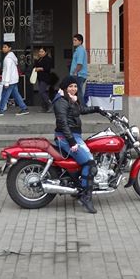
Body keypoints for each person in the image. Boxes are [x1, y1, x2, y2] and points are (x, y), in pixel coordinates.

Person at [53, 75, 102, 214]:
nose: (73, 88)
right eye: (70, 86)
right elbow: (63, 123)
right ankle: (86, 197)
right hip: (66, 137)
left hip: (74, 136)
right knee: (90, 163)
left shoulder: (71, 100)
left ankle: (80, 186)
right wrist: (72, 142)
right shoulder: (61, 101)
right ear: (65, 88)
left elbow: (81, 110)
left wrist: (98, 109)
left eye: (75, 86)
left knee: (87, 160)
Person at [0, 42, 29, 116]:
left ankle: (0, 110)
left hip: (10, 80)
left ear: (9, 48)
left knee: (4, 95)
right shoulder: (12, 57)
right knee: (16, 95)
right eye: (3, 47)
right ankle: (24, 108)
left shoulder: (8, 59)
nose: (3, 48)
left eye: (5, 47)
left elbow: (8, 71)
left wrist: (6, 82)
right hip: (13, 79)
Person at [33, 46, 55, 112]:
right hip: (40, 77)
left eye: (42, 51)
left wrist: (39, 68)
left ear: (45, 52)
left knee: (42, 92)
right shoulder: (39, 59)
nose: (40, 53)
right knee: (42, 92)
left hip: (45, 78)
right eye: (39, 51)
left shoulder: (48, 59)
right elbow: (35, 66)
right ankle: (44, 107)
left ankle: (50, 104)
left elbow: (47, 68)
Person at [70, 33, 88, 106]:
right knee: (77, 91)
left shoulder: (80, 50)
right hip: (79, 74)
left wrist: (75, 72)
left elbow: (79, 63)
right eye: (73, 40)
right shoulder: (78, 50)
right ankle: (80, 106)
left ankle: (82, 107)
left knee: (78, 91)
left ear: (80, 41)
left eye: (75, 40)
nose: (74, 41)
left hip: (79, 75)